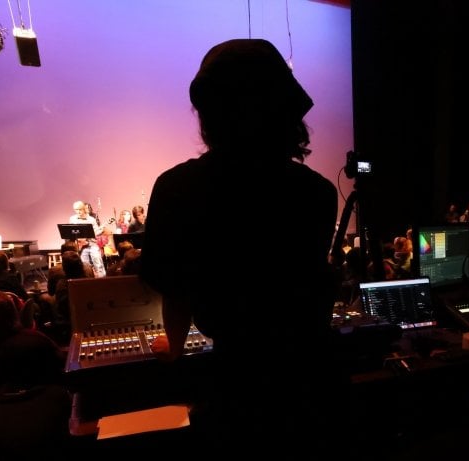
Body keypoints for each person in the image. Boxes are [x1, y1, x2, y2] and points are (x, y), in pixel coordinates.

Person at [139, 38, 345, 457]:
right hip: (316, 383)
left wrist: (175, 347)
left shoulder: (177, 188)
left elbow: (176, 293)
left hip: (238, 390)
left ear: (211, 115)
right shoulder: (319, 192)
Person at [68, 200, 106, 278]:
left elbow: (96, 231)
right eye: (76, 210)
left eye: (80, 209)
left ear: (84, 209)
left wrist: (101, 229)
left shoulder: (91, 219)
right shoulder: (72, 219)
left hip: (92, 244)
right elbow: (71, 232)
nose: (78, 211)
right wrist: (77, 240)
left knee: (98, 263)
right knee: (85, 266)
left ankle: (103, 281)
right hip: (81, 246)